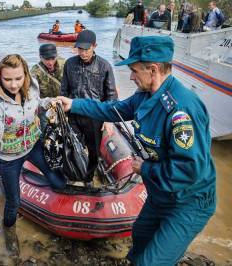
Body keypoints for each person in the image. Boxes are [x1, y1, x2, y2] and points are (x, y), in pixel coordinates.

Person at [56, 36, 216, 265]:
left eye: (134, 70)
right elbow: (113, 110)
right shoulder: (144, 96)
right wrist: (74, 104)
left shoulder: (181, 110)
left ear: (153, 69)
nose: (130, 76)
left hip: (188, 201)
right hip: (160, 193)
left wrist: (146, 168)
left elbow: (189, 171)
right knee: (140, 236)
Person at [0, 54, 66, 256]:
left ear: (25, 74)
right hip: (8, 158)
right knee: (14, 201)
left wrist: (49, 102)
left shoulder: (31, 88)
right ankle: (9, 232)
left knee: (58, 181)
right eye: (7, 79)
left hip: (32, 145)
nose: (14, 85)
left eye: (18, 78)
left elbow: (37, 104)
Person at [60, 30, 118, 182]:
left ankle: (89, 178)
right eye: (80, 49)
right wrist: (62, 114)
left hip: (95, 116)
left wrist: (109, 119)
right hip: (72, 114)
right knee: (72, 146)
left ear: (94, 46)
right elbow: (64, 90)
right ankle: (74, 174)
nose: (83, 53)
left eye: (86, 49)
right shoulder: (69, 64)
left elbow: (111, 94)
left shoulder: (104, 66)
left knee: (93, 150)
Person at [30, 44, 65, 133]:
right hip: (45, 106)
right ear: (40, 57)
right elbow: (32, 95)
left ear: (56, 56)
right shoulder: (35, 71)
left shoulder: (65, 64)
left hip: (63, 103)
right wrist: (34, 114)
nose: (50, 62)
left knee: (65, 129)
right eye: (47, 59)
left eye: (53, 58)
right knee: (46, 132)